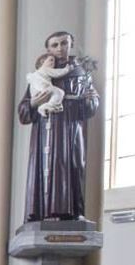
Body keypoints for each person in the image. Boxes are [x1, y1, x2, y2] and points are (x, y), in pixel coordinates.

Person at [18, 31, 99, 222]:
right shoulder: (42, 73)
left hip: (71, 128)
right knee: (46, 168)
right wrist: (33, 103)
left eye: (64, 43)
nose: (60, 48)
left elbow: (92, 104)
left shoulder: (82, 73)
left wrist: (89, 101)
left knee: (73, 166)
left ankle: (73, 213)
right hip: (45, 131)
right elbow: (23, 110)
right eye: (55, 45)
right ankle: (44, 213)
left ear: (71, 44)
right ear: (48, 49)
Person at [26, 52, 72, 117]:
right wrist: (66, 69)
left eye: (54, 61)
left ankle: (43, 108)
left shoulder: (35, 74)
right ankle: (48, 106)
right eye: (51, 60)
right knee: (60, 92)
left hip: (37, 92)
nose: (53, 63)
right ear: (42, 62)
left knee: (50, 97)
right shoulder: (45, 69)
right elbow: (57, 73)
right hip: (44, 89)